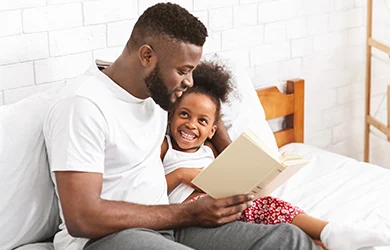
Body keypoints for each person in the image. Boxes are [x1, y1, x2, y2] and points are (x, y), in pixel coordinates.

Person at [43, 3, 323, 250]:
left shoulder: (157, 95)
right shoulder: (83, 106)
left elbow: (205, 112)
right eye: (183, 71)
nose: (189, 81)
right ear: (147, 56)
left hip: (168, 225)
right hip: (106, 239)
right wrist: (188, 214)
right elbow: (82, 218)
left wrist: (231, 151)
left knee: (289, 239)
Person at [161, 60, 390, 250]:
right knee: (262, 214)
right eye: (184, 115)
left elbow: (229, 170)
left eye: (202, 121)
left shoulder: (209, 150)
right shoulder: (165, 147)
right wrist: (182, 175)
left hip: (222, 203)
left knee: (267, 205)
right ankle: (326, 234)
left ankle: (327, 234)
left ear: (212, 130)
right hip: (187, 210)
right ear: (170, 116)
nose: (191, 125)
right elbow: (151, 187)